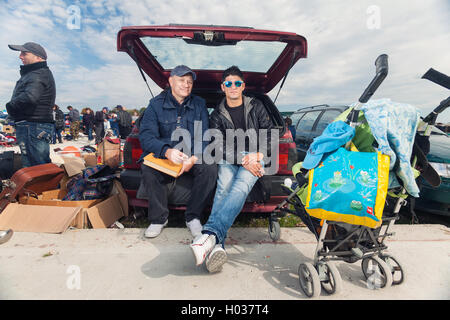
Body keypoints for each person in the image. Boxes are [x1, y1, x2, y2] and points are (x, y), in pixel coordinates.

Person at [190, 66, 273, 273]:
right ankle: (218, 246)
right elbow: (218, 147)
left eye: (237, 83)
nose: (233, 86)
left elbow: (270, 132)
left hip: (256, 157)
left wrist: (258, 156)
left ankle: (209, 237)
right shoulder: (217, 114)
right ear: (223, 87)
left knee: (240, 188)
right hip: (231, 157)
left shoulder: (257, 106)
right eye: (229, 83)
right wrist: (244, 158)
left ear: (243, 86)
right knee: (223, 190)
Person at [139, 65, 217, 238]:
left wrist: (193, 159)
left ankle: (193, 217)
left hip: (190, 155)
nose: (186, 84)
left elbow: (204, 136)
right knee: (147, 168)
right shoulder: (155, 105)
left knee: (210, 167)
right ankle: (159, 219)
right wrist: (166, 151)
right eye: (182, 80)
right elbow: (146, 136)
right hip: (165, 156)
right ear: (171, 81)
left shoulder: (199, 104)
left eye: (189, 81)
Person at [6, 42, 56, 167]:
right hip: (32, 125)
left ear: (38, 57)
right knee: (34, 166)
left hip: (33, 126)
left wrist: (10, 107)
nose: (20, 56)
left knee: (36, 167)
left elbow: (29, 98)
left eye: (24, 53)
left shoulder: (38, 73)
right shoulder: (36, 73)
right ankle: (42, 186)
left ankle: (46, 187)